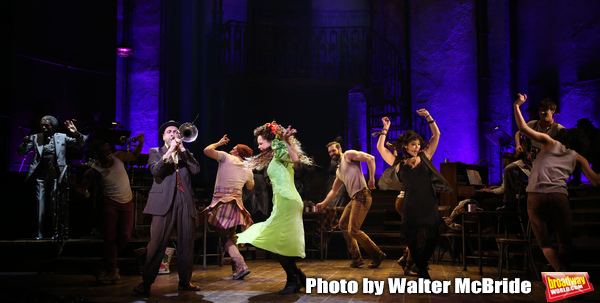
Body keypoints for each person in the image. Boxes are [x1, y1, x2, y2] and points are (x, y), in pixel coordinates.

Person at [513, 93, 600, 271]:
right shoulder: (579, 157)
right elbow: (596, 181)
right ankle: (567, 281)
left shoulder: (549, 142)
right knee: (564, 241)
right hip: (558, 196)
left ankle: (562, 273)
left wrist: (517, 105)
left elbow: (522, 127)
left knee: (545, 243)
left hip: (535, 195)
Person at [236, 121, 312, 295]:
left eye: (262, 143)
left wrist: (285, 140)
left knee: (278, 241)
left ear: (271, 140)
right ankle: (299, 277)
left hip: (287, 201)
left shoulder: (279, 148)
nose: (260, 147)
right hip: (284, 201)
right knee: (281, 242)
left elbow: (294, 159)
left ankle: (293, 280)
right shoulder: (275, 153)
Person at [376, 109, 452, 279]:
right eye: (413, 145)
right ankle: (423, 269)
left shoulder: (426, 156)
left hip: (428, 202)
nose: (417, 147)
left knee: (433, 237)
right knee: (411, 237)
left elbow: (437, 134)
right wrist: (385, 128)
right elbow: (380, 147)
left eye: (418, 144)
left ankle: (421, 264)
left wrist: (428, 117)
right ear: (405, 146)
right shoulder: (398, 162)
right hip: (410, 203)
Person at [133, 120, 201, 294]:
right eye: (169, 131)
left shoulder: (186, 154)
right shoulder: (155, 151)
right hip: (163, 202)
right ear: (164, 136)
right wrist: (170, 151)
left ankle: (185, 282)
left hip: (184, 201)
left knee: (186, 243)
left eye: (176, 132)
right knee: (157, 244)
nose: (173, 134)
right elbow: (155, 171)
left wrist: (183, 151)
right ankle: (146, 282)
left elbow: (196, 170)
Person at [74, 133, 145, 284]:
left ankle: (103, 264)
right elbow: (82, 190)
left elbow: (133, 156)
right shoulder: (93, 171)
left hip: (127, 202)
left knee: (125, 237)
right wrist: (72, 184)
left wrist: (140, 143)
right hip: (110, 204)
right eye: (104, 152)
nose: (108, 155)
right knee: (110, 238)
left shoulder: (118, 156)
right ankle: (113, 270)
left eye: (108, 151)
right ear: (97, 154)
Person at [315, 142, 386, 269]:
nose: (332, 153)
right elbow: (334, 191)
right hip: (354, 198)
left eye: (334, 150)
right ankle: (356, 257)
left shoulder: (348, 156)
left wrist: (371, 178)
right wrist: (323, 203)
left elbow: (371, 158)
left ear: (340, 149)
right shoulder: (339, 171)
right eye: (330, 152)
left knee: (353, 230)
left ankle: (377, 254)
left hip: (362, 195)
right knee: (342, 224)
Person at [18, 115, 87, 239]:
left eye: (46, 125)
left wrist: (76, 132)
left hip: (56, 175)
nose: (43, 127)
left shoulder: (62, 137)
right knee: (40, 204)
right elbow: (22, 152)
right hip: (41, 175)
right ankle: (39, 233)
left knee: (54, 203)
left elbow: (81, 143)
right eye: (42, 125)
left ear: (53, 126)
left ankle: (56, 232)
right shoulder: (35, 137)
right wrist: (25, 144)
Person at [201, 134, 255, 280]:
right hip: (236, 205)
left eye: (233, 149)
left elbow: (207, 150)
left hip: (222, 203)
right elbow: (250, 187)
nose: (231, 150)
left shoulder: (226, 157)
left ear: (238, 152)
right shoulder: (248, 170)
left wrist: (218, 143)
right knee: (231, 236)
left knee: (225, 237)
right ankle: (237, 270)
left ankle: (241, 264)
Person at [499, 98, 566, 211]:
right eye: (541, 110)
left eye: (546, 110)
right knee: (509, 169)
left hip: (547, 167)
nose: (543, 113)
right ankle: (509, 204)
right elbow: (519, 132)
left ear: (553, 110)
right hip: (530, 162)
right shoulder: (532, 124)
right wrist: (518, 144)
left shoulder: (559, 129)